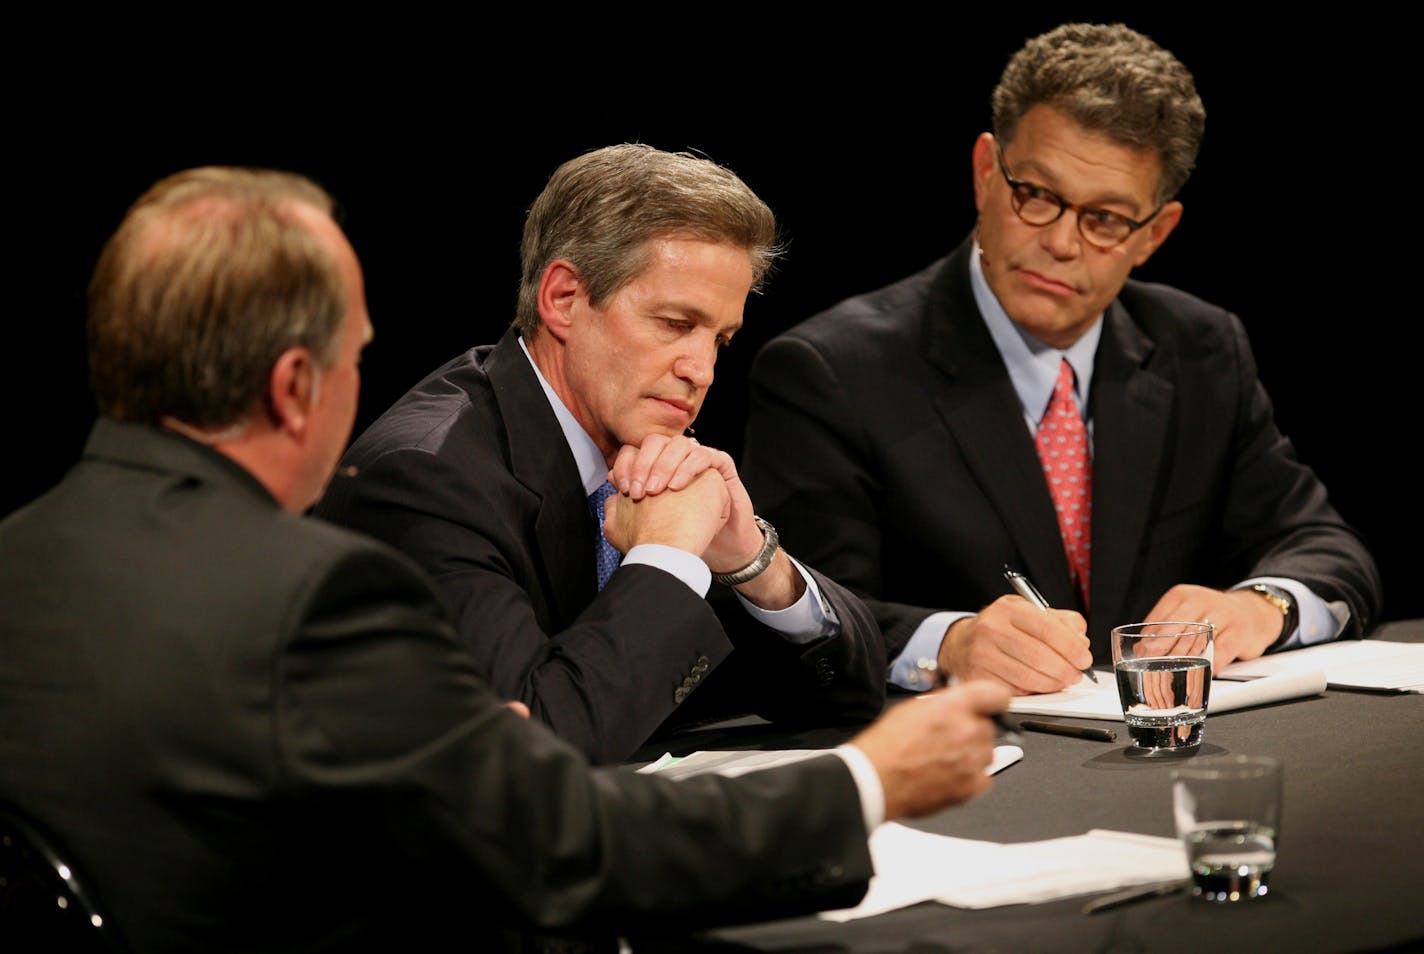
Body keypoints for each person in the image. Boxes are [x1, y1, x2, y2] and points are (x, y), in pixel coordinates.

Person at [0, 166, 1009, 952]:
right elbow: (552, 834)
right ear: (294, 387)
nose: (702, 364)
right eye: (357, 357)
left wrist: (739, 557)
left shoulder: (20, 554)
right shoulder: (319, 587)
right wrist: (862, 785)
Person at [740, 22, 1383, 696]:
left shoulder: (1199, 347)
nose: (1063, 244)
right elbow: (793, 621)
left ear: (1154, 234)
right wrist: (950, 645)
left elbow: (1328, 547)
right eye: (1038, 196)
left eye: (1105, 218)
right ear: (987, 172)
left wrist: (1259, 607)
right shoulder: (832, 372)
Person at [313, 144, 886, 764]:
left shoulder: (652, 459)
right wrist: (666, 557)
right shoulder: (424, 479)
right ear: (562, 300)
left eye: (720, 338)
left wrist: (749, 557)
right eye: (673, 323)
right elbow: (536, 750)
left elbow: (851, 689)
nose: (702, 370)